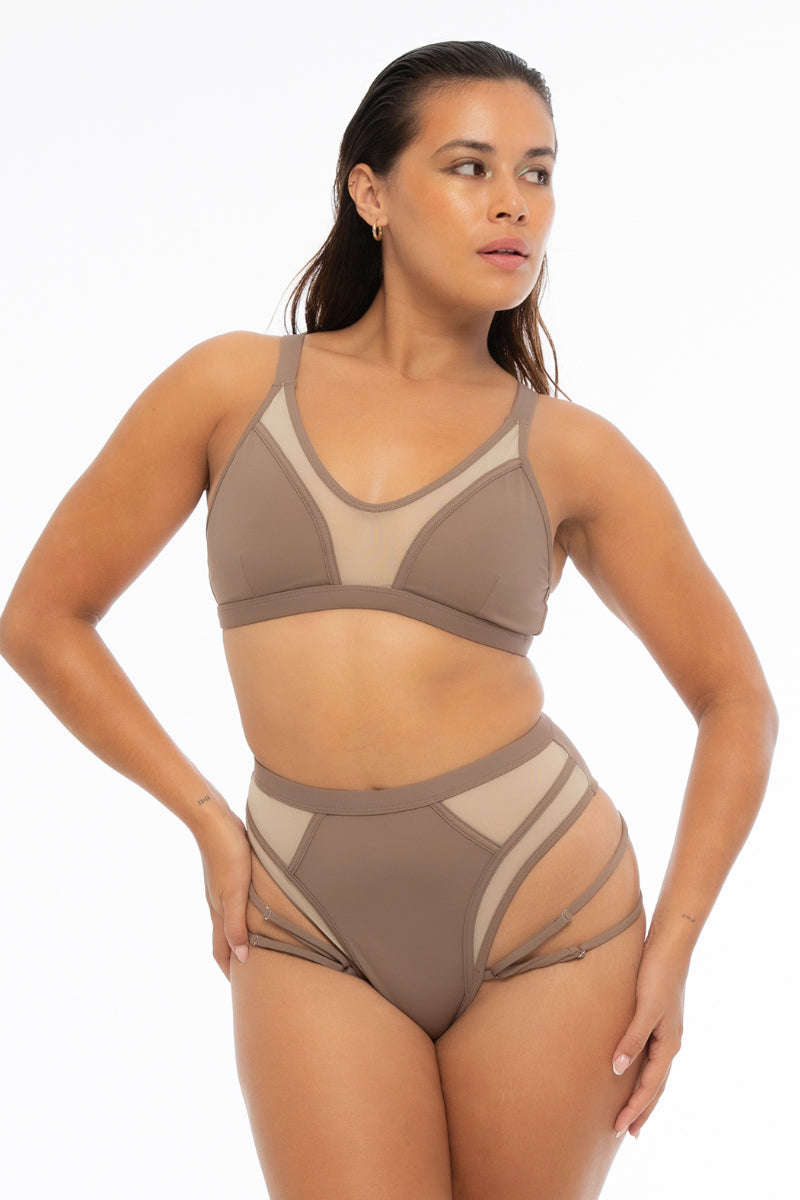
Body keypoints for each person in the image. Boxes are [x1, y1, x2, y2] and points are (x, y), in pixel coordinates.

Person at [0, 38, 777, 1200]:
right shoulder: (228, 388)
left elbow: (735, 701)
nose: (513, 202)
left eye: (537, 172)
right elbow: (43, 619)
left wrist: (672, 947)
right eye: (469, 167)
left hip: (545, 912)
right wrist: (208, 819)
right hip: (303, 911)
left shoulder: (571, 452)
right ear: (370, 192)